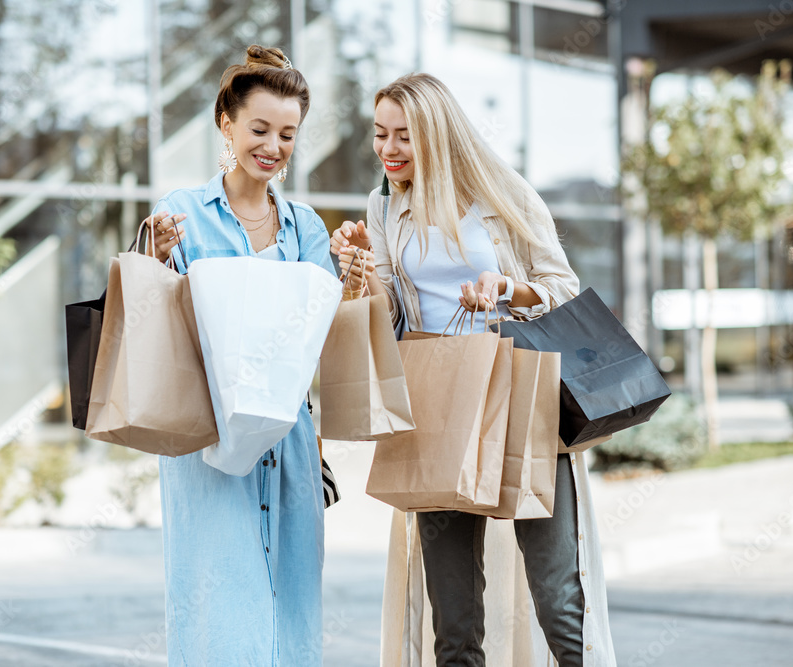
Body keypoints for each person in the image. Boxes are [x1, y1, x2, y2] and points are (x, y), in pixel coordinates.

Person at [331, 73, 616, 666]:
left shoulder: (500, 192)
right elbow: (387, 312)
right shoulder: (384, 204)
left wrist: (507, 286)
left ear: (436, 133)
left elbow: (564, 286)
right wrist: (358, 270)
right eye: (380, 134)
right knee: (452, 614)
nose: (388, 150)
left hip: (517, 393)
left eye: (404, 136)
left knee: (557, 591)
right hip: (434, 399)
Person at [142, 45, 334, 666]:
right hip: (207, 439)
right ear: (225, 123)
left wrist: (354, 278)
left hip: (291, 439)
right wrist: (154, 258)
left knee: (293, 602)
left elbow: (322, 337)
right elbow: (152, 322)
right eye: (259, 129)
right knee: (218, 599)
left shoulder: (305, 226)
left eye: (287, 134)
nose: (272, 147)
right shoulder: (183, 213)